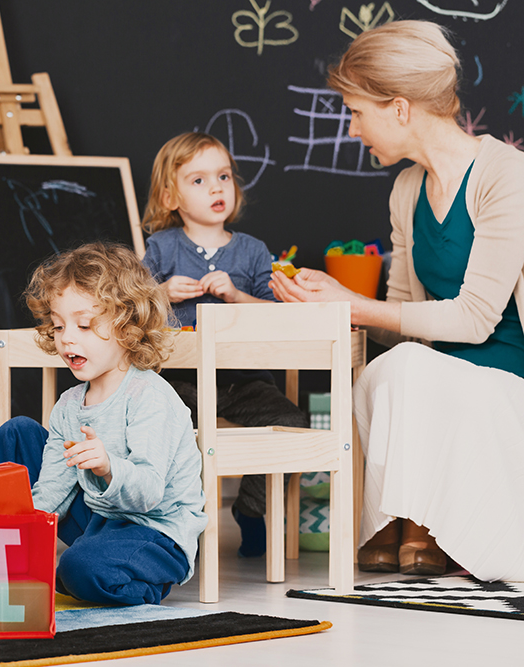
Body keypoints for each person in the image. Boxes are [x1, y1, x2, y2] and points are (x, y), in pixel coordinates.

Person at [271, 21, 524, 580]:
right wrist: (324, 303)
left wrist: (350, 305)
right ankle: (410, 525)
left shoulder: (507, 176)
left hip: (508, 382)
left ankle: (421, 523)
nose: (353, 127)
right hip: (441, 378)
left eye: (357, 111)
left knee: (406, 368)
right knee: (393, 366)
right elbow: (406, 324)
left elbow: (476, 319)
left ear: (400, 108)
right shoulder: (407, 188)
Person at [0, 242, 207, 605]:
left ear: (128, 325)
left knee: (77, 568)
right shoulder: (70, 405)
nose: (67, 337)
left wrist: (107, 467)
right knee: (18, 431)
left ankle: (130, 580)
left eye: (84, 325)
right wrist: (28, 533)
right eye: (58, 327)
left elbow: (148, 493)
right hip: (99, 521)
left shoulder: (150, 397)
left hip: (154, 532)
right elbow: (52, 490)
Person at [141, 132, 309, 558]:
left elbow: (278, 314)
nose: (217, 187)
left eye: (223, 176)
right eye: (198, 180)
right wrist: (160, 294)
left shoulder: (253, 252)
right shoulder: (161, 248)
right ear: (169, 197)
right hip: (182, 382)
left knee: (292, 423)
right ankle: (178, 521)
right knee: (168, 427)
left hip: (242, 381)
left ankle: (252, 511)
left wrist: (236, 296)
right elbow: (129, 309)